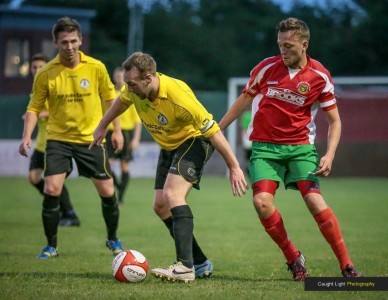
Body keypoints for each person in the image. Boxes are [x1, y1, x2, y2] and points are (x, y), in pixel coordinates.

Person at [218, 17, 361, 281]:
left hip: (301, 149)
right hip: (265, 149)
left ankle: (347, 266)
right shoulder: (265, 69)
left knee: (315, 201)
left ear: (304, 45)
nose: (283, 50)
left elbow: (334, 120)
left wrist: (329, 154)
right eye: (280, 45)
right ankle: (294, 258)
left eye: (289, 46)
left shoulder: (319, 76)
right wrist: (218, 128)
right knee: (261, 203)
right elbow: (243, 100)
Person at [91, 52, 248, 282]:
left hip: (194, 141)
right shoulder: (133, 88)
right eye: (127, 84)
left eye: (132, 84)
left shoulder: (177, 95)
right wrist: (103, 126)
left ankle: (185, 267)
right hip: (168, 147)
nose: (129, 89)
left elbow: (213, 131)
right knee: (160, 206)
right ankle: (200, 261)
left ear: (148, 77)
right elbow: (122, 102)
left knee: (173, 195)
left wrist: (234, 166)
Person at [18, 17, 125, 259]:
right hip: (58, 139)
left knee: (107, 191)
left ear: (81, 40)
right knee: (51, 187)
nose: (69, 46)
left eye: (73, 41)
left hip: (91, 139)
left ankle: (113, 238)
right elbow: (34, 107)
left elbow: (112, 101)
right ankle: (51, 246)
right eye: (64, 42)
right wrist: (27, 136)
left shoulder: (96, 67)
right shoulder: (46, 73)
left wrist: (116, 131)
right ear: (55, 43)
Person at [23, 53, 81, 227]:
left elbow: (65, 110)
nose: (37, 70)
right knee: (34, 178)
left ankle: (70, 214)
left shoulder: (55, 85)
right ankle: (54, 204)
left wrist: (39, 113)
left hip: (55, 142)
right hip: (41, 143)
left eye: (40, 66)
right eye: (34, 67)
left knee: (54, 181)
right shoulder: (36, 88)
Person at [105, 66, 142, 205]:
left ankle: (120, 197)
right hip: (110, 132)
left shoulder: (131, 93)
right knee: (107, 166)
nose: (120, 78)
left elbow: (137, 120)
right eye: (117, 75)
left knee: (124, 166)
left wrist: (136, 138)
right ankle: (119, 187)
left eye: (122, 76)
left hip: (126, 133)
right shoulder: (109, 93)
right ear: (114, 77)